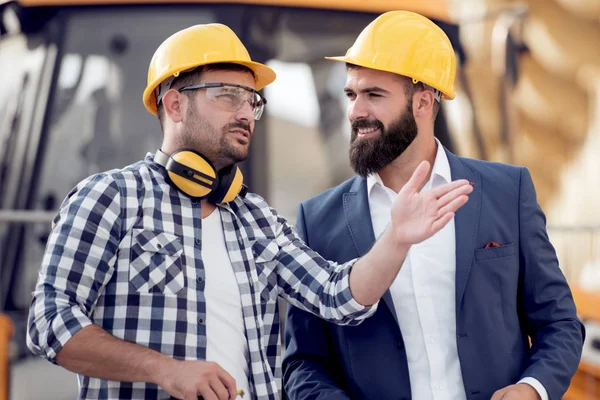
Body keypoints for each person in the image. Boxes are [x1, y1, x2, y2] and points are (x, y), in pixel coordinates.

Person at [26, 22, 472, 400]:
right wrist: (166, 370)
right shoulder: (109, 198)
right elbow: (49, 322)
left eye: (251, 100)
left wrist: (396, 238)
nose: (246, 113)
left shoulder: (255, 218)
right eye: (228, 96)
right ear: (174, 102)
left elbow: (339, 297)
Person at [282, 10, 585, 400]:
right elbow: (303, 364)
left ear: (423, 102)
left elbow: (559, 322)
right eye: (352, 94)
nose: (356, 111)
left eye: (374, 95)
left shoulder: (508, 192)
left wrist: (532, 389)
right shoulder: (318, 221)